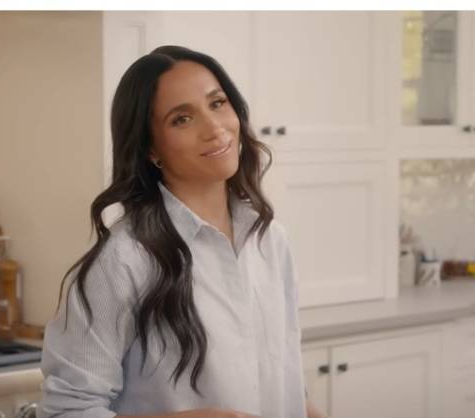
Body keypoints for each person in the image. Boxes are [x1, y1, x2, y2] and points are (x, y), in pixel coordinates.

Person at [40, 45, 327, 418]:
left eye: (217, 103)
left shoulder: (270, 239)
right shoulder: (122, 262)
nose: (214, 128)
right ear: (150, 149)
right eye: (182, 119)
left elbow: (280, 376)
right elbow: (66, 411)